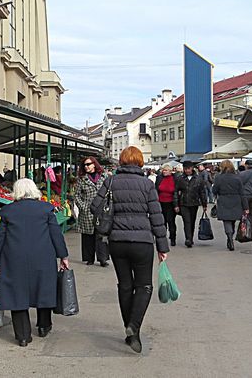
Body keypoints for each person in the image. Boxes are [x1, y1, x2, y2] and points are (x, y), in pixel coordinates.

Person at [90, 146, 169, 354]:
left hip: (117, 241)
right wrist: (162, 246)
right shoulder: (147, 184)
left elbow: (94, 206)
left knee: (125, 286)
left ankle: (131, 331)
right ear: (140, 161)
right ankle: (134, 326)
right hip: (142, 242)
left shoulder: (111, 181)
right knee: (144, 286)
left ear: (122, 161)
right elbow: (156, 216)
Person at [0, 178, 69, 347]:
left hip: (14, 258)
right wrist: (63, 256)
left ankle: (23, 336)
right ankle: (43, 326)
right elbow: (56, 234)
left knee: (16, 294)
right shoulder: (46, 209)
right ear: (34, 191)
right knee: (44, 290)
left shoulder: (8, 211)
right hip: (43, 257)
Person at [73, 157, 109, 266]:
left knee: (101, 234)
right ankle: (89, 258)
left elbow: (109, 191)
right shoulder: (82, 179)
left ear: (94, 164)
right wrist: (82, 206)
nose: (86, 167)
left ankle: (103, 259)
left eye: (88, 164)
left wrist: (107, 206)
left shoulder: (104, 177)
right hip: (87, 210)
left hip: (102, 210)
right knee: (88, 235)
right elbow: (77, 195)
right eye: (84, 165)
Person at [212, 160, 249, 251]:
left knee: (226, 220)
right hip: (236, 201)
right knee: (232, 220)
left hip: (224, 201)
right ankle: (231, 236)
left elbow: (214, 191)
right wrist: (246, 207)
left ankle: (229, 237)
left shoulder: (218, 178)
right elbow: (242, 193)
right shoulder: (237, 178)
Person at [173, 159, 208, 248]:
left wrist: (204, 204)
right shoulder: (180, 179)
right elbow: (176, 192)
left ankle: (191, 238)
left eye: (189, 168)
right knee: (186, 221)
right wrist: (176, 204)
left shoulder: (198, 179)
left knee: (192, 221)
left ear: (192, 168)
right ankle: (188, 239)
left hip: (194, 203)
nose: (187, 170)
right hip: (184, 203)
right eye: (185, 169)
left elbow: (202, 192)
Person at [155, 164, 177, 246]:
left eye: (166, 170)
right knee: (162, 222)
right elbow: (156, 189)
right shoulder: (159, 178)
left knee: (171, 221)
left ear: (170, 171)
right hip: (161, 202)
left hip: (171, 203)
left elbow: (176, 191)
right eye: (163, 170)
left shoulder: (175, 179)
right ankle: (163, 238)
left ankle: (173, 238)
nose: (164, 172)